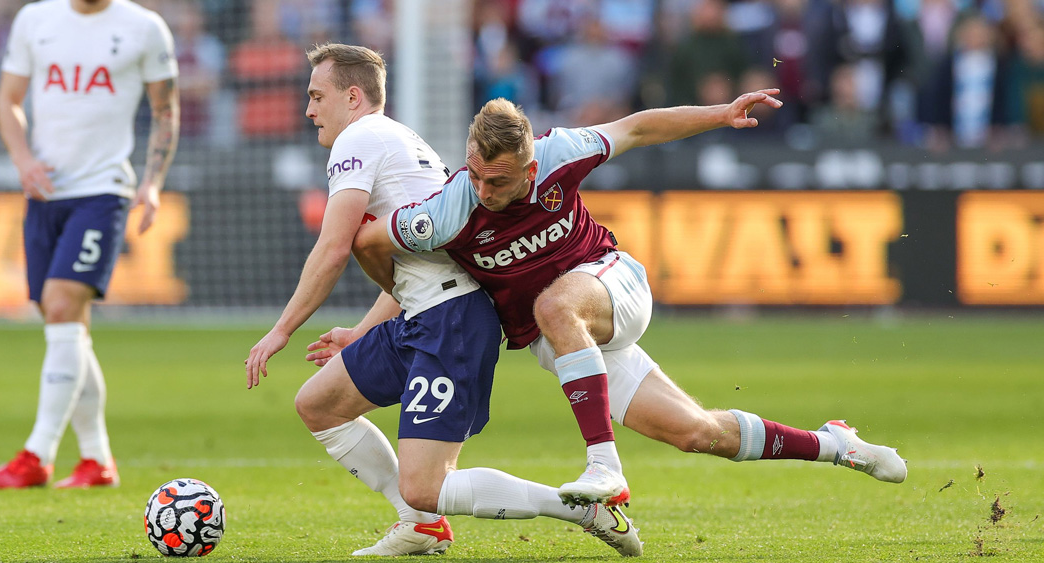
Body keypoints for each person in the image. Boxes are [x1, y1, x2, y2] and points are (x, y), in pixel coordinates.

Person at [347, 94, 909, 499]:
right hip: (569, 344)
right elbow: (393, 261)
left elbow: (639, 128)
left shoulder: (562, 152)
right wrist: (363, 328)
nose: (484, 191)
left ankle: (603, 466)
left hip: (610, 284)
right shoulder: (448, 211)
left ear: (531, 166)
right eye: (475, 174)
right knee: (697, 432)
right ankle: (837, 445)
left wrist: (718, 114)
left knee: (554, 303)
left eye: (499, 180)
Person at [244, 43, 641, 557]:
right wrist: (362, 333)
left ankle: (581, 508)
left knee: (427, 484)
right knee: (319, 405)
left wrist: (282, 329)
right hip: (428, 313)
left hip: (450, 322)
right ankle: (420, 525)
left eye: (317, 95)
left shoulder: (358, 139)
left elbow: (335, 245)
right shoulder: (397, 139)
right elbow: (418, 267)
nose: (309, 109)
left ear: (353, 96)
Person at [0, 0, 179, 489]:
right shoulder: (35, 19)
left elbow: (165, 109)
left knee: (62, 302)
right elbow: (8, 100)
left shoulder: (143, 27)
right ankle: (97, 460)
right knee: (64, 323)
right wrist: (23, 160)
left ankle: (37, 454)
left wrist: (152, 181)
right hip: (44, 190)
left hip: (104, 190)